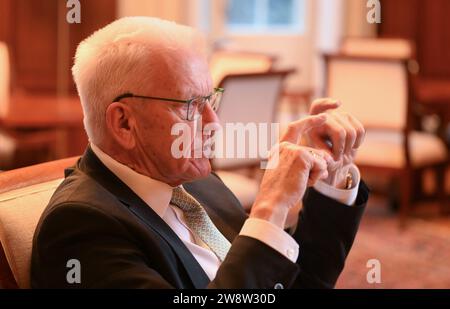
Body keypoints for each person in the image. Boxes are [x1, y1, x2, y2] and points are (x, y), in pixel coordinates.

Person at [31, 17, 369, 289]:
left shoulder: (197, 185)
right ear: (123, 123)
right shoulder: (81, 228)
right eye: (191, 106)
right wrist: (269, 209)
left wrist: (333, 178)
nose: (214, 124)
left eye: (211, 100)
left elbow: (294, 282)